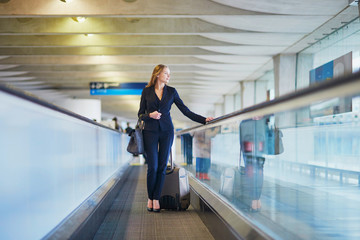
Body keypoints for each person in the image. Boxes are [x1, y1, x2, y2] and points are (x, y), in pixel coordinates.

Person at [138, 64, 213, 212]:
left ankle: (156, 199)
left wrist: (204, 120)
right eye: (166, 73)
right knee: (152, 167)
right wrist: (149, 115)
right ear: (157, 74)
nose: (168, 76)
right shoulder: (146, 92)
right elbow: (140, 114)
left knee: (161, 166)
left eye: (169, 74)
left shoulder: (172, 92)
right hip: (150, 132)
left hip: (166, 131)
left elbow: (186, 111)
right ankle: (150, 198)